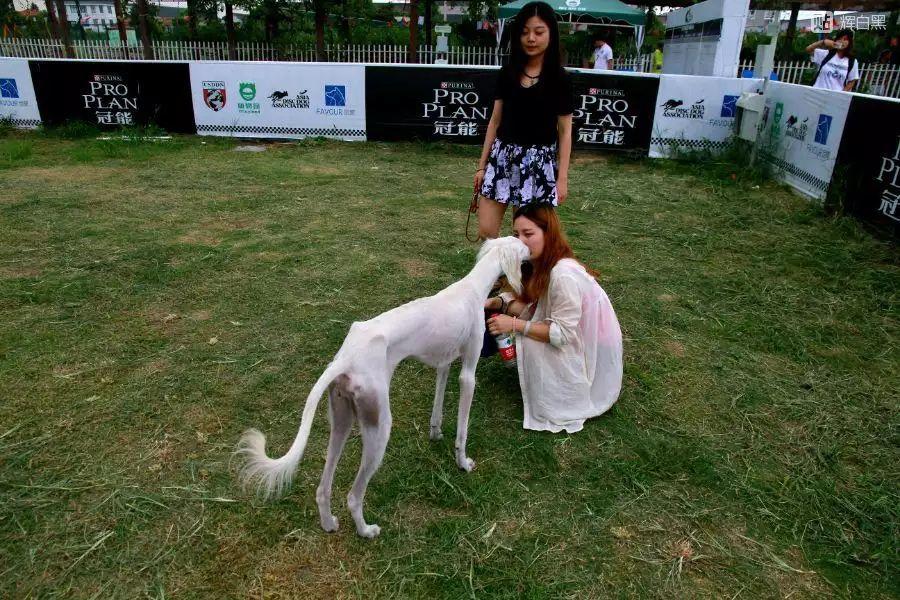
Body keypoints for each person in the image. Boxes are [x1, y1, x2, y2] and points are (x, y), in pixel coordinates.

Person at [484, 204, 624, 433]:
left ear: (548, 233)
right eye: (517, 234)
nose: (521, 241)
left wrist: (515, 325)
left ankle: (566, 391)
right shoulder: (540, 263)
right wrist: (496, 303)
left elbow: (562, 335)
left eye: (528, 234)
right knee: (511, 314)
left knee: (529, 341)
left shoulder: (562, 274)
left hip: (593, 346)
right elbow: (531, 303)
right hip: (576, 329)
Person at [473, 1, 575, 240]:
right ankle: (498, 275)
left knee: (527, 237)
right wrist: (481, 166)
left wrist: (562, 179)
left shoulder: (561, 80)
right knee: (487, 232)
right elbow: (494, 122)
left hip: (538, 165)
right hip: (502, 159)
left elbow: (565, 132)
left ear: (551, 34)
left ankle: (521, 277)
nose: (531, 38)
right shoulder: (507, 73)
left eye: (539, 32)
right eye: (524, 31)